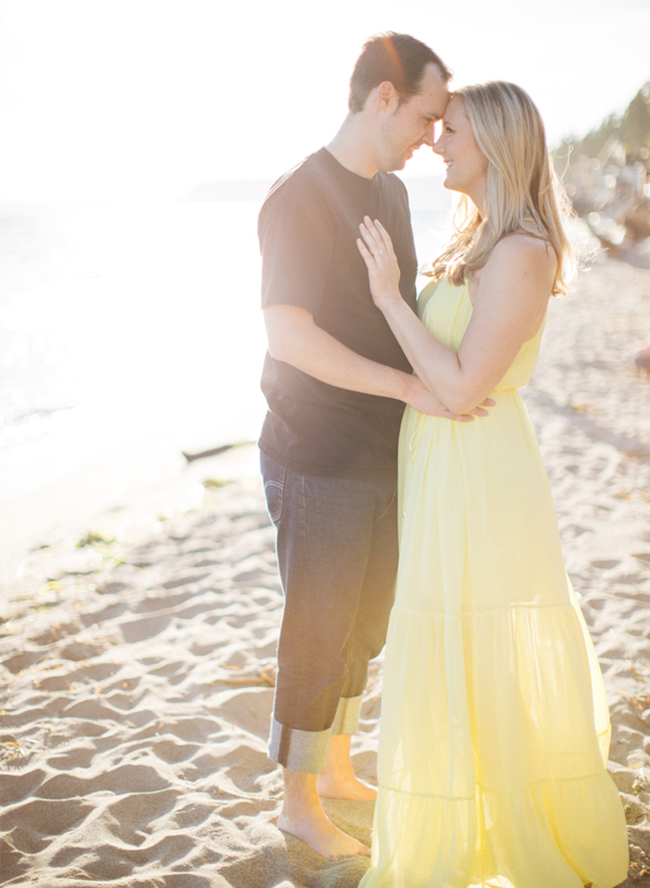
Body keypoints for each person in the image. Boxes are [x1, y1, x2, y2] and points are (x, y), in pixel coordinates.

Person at [355, 81, 629, 887]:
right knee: (452, 644)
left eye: (454, 131)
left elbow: (465, 386)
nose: (438, 142)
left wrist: (386, 297)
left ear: (498, 146)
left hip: (479, 470)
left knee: (483, 643)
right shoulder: (474, 238)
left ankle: (515, 838)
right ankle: (462, 835)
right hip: (441, 464)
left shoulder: (523, 249)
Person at [258, 33, 493, 862]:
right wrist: (407, 389)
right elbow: (289, 337)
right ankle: (296, 803)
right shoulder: (298, 199)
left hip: (381, 451)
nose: (434, 135)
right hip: (314, 449)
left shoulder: (389, 194)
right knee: (316, 628)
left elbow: (394, 311)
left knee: (364, 625)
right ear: (383, 98)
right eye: (428, 115)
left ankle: (334, 771)